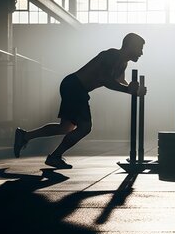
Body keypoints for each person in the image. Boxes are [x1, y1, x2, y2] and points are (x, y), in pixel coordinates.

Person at [13, 33, 147, 169]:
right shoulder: (111, 56)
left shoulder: (122, 63)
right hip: (74, 86)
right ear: (130, 46)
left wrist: (133, 88)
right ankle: (55, 156)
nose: (141, 53)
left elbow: (120, 81)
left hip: (75, 87)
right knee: (84, 127)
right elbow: (105, 80)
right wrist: (130, 90)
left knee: (65, 128)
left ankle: (25, 136)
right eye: (140, 48)